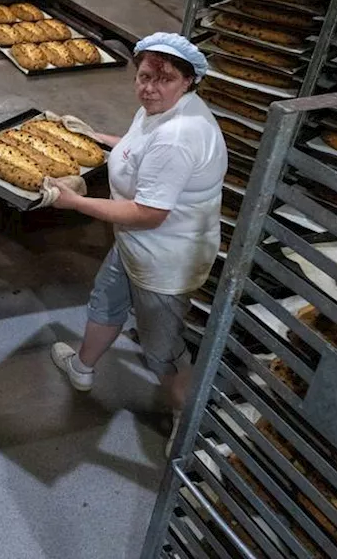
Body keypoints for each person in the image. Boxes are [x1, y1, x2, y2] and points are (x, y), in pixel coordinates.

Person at [46, 32, 225, 455]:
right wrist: (95, 138)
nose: (149, 88)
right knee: (106, 300)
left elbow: (149, 212)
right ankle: (82, 367)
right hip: (135, 246)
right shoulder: (159, 112)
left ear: (188, 82)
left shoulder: (179, 137)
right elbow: (137, 150)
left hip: (165, 259)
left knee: (162, 349)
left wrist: (75, 202)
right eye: (144, 76)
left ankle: (187, 420)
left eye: (163, 80)